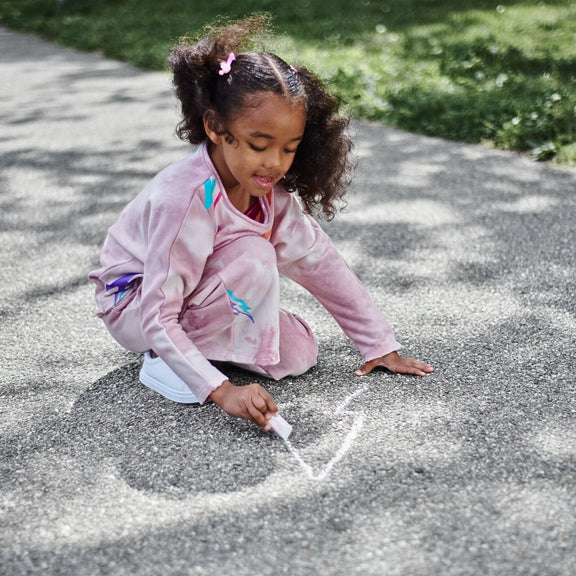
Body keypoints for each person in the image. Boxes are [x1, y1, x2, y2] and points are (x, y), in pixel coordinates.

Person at [89, 16, 433, 433]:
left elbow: (318, 262)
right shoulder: (187, 197)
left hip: (193, 293)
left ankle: (201, 347)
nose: (274, 163)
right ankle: (167, 361)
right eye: (259, 145)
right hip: (138, 304)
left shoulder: (271, 194)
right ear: (216, 127)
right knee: (253, 255)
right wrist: (222, 390)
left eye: (289, 148)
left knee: (299, 353)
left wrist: (378, 345)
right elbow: (158, 311)